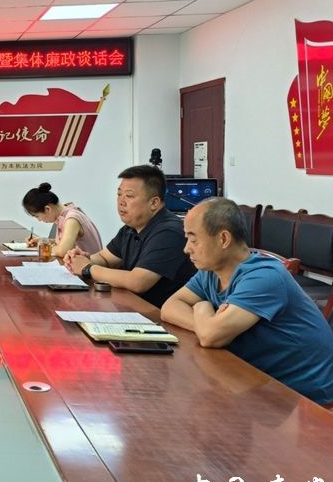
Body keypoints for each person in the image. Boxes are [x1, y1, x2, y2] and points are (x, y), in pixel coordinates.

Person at [161, 198, 333, 405]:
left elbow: (211, 337)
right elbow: (169, 307)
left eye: (193, 239)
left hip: (308, 400)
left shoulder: (264, 276)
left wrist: (202, 309)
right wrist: (205, 318)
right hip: (262, 384)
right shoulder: (211, 271)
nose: (186, 249)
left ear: (223, 239)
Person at [65, 165, 195, 307]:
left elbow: (138, 282)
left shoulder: (170, 232)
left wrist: (88, 268)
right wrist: (82, 259)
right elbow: (105, 258)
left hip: (158, 314)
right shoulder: (130, 228)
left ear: (154, 203)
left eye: (129, 196)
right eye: (119, 194)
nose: (121, 201)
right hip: (133, 306)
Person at [21, 183, 102, 257]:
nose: (39, 220)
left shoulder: (72, 218)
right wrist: (42, 241)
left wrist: (42, 247)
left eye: (37, 216)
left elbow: (62, 251)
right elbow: (64, 242)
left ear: (47, 209)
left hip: (88, 266)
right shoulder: (65, 214)